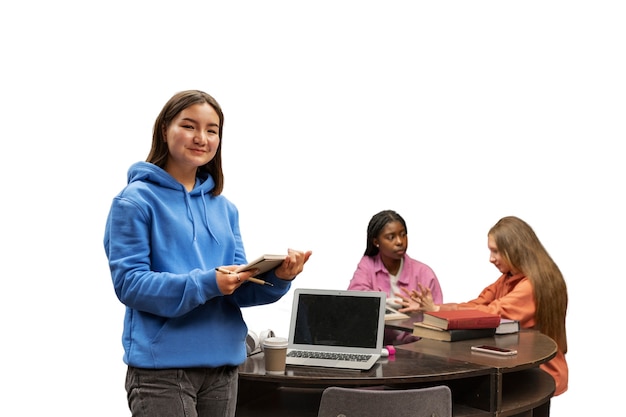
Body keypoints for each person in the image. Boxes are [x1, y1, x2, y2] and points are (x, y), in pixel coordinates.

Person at [103, 89, 312, 417]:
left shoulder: (225, 209)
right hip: (163, 372)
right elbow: (130, 285)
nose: (201, 137)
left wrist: (277, 277)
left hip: (224, 367)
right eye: (189, 126)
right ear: (164, 130)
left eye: (212, 130)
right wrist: (208, 282)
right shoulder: (134, 201)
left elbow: (235, 293)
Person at [397, 216, 568, 396]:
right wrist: (433, 308)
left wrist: (437, 310)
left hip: (538, 373)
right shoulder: (510, 277)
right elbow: (478, 304)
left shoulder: (530, 286)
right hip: (518, 365)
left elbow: (492, 313)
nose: (491, 259)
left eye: (496, 252)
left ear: (514, 250)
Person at [348, 210, 443, 345]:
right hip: (377, 347)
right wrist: (394, 304)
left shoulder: (424, 272)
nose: (400, 241)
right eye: (391, 237)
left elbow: (439, 318)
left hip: (417, 348)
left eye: (403, 235)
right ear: (376, 241)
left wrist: (424, 309)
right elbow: (355, 300)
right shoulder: (367, 265)